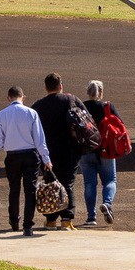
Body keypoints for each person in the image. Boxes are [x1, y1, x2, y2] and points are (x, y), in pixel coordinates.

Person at [0, 85, 52, 236]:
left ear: (8, 98)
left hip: (12, 156)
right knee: (30, 190)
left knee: (14, 189)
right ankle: (28, 225)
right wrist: (46, 159)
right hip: (30, 155)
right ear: (23, 97)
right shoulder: (31, 113)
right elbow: (39, 140)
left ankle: (14, 220)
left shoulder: (1, 115)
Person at [31, 72, 87, 230]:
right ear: (60, 86)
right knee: (67, 183)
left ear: (46, 87)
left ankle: (50, 219)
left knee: (50, 184)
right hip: (69, 150)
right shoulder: (71, 100)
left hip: (47, 153)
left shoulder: (38, 106)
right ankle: (66, 219)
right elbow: (86, 119)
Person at [80, 80, 119, 226]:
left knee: (89, 184)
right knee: (110, 180)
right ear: (100, 93)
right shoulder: (107, 107)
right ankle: (107, 204)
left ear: (88, 92)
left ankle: (91, 217)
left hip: (86, 150)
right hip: (106, 150)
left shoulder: (81, 107)